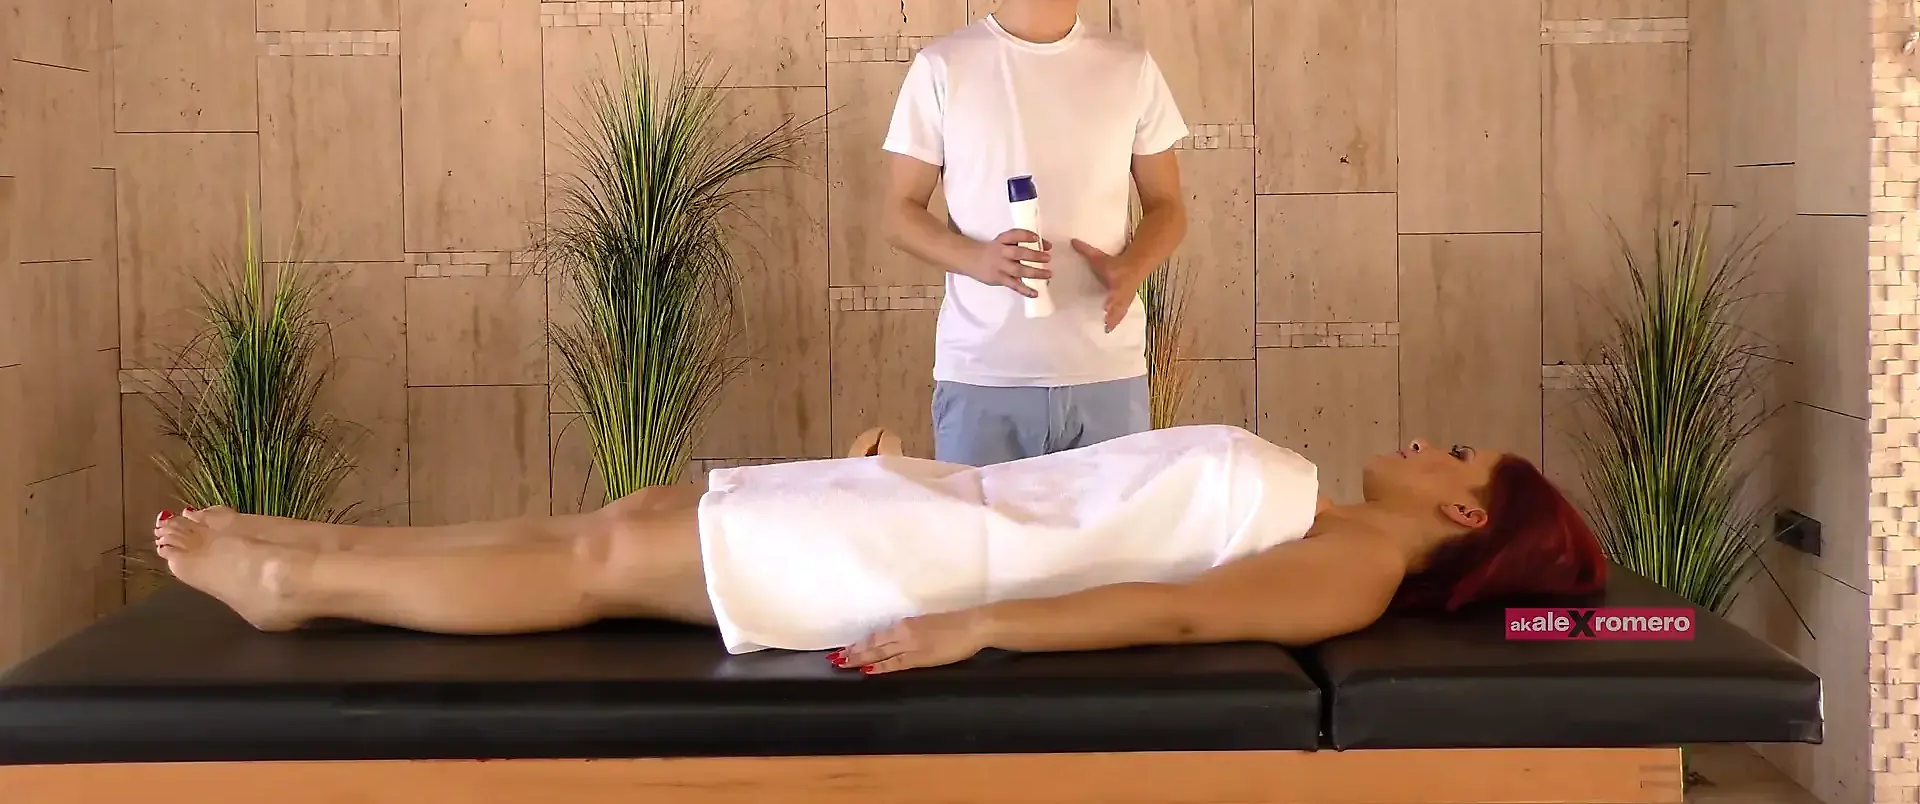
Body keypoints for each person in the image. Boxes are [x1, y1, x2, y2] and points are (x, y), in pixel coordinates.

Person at [152, 426, 1607, 675]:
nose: (1432, 444)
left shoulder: (1353, 568)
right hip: (931, 508)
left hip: (923, 571)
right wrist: (907, 466)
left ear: (1466, 519)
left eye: (1459, 458)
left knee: (606, 562)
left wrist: (980, 630)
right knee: (626, 518)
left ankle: (296, 589)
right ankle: (320, 551)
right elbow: (1083, 495)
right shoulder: (1327, 510)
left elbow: (1174, 618)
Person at [879, 0, 1190, 466]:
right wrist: (978, 259)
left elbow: (1168, 205)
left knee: (1116, 537)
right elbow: (898, 213)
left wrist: (1133, 265)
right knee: (982, 537)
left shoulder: (1129, 67)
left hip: (1108, 375)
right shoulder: (945, 67)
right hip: (983, 378)